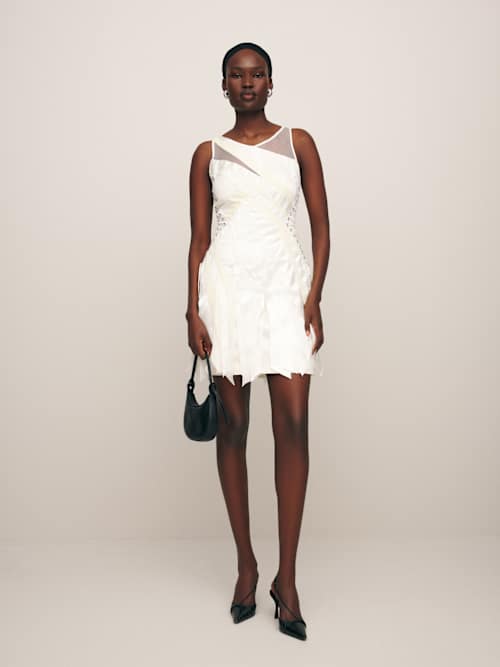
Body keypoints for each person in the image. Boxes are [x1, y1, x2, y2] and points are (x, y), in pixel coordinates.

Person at [185, 42, 331, 640]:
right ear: (223, 85)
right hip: (227, 294)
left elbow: (322, 227)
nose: (248, 83)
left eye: (258, 74)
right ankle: (246, 565)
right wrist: (192, 310)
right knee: (235, 427)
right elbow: (199, 239)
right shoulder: (206, 153)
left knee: (292, 424)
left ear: (272, 83)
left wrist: (313, 296)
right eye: (237, 75)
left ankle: (286, 579)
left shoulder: (299, 143)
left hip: (284, 289)